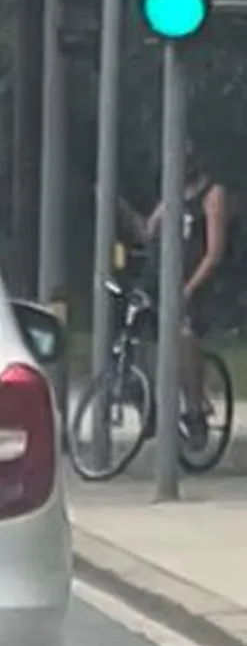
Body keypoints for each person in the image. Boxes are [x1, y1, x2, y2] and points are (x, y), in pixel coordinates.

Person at [129, 146, 229, 450]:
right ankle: (146, 399)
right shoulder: (173, 195)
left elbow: (214, 252)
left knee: (184, 335)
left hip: (198, 284)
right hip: (166, 281)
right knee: (137, 331)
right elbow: (148, 231)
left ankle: (195, 410)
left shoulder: (213, 195)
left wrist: (189, 288)